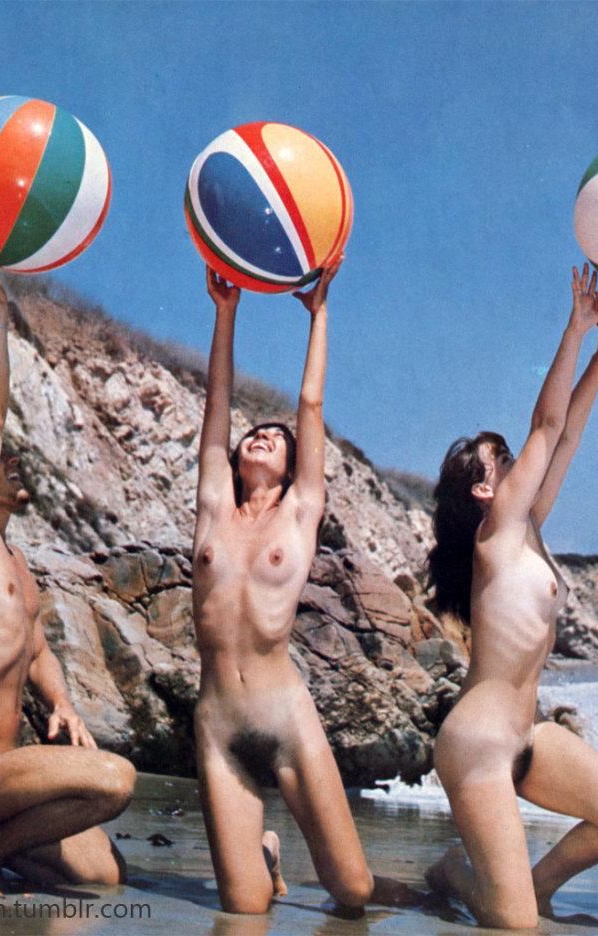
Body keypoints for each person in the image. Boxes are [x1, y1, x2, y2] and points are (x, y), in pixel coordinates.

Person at [423, 266, 598, 928]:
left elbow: (566, 435)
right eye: (504, 458)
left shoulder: (528, 532)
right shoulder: (495, 537)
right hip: (478, 744)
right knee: (516, 929)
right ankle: (459, 874)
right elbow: (548, 426)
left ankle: (533, 887)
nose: (519, 459)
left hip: (528, 733)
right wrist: (575, 329)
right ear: (484, 490)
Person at [0, 262, 135, 896]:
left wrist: (62, 701)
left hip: (3, 771)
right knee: (114, 780)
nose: (11, 459)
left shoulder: (16, 565)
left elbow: (36, 651)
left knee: (105, 875)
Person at [191, 259, 385, 915]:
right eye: (256, 434)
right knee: (244, 910)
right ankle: (264, 858)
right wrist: (226, 313)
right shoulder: (213, 506)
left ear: (295, 464)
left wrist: (318, 316)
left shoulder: (300, 513)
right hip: (218, 719)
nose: (263, 437)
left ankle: (283, 855)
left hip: (284, 716)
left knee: (354, 892)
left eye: (277, 438)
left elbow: (310, 406)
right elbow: (217, 406)